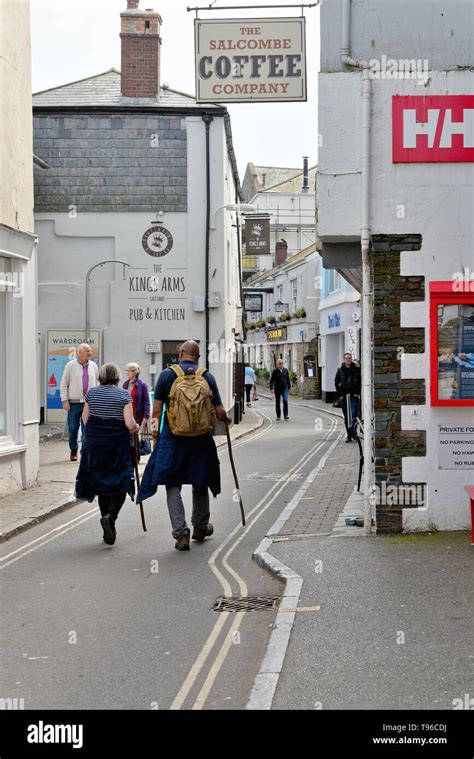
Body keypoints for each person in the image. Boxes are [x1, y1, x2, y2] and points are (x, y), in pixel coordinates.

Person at [137, 340, 231, 552]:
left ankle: (181, 534)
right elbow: (219, 411)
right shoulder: (207, 376)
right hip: (200, 440)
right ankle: (200, 527)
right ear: (197, 357)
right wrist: (226, 420)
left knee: (173, 484)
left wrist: (154, 434)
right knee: (200, 480)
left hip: (174, 439)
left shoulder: (167, 375)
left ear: (181, 354)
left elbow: (156, 411)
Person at [75, 363, 139, 545]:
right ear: (117, 377)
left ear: (101, 376)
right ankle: (110, 518)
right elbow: (129, 423)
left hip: (94, 447)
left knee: (101, 483)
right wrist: (135, 427)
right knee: (121, 482)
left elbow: (85, 419)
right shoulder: (123, 395)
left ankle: (106, 523)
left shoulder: (91, 393)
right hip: (116, 447)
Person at [60, 343, 99, 461]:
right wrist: (64, 400)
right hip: (74, 403)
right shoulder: (70, 365)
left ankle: (85, 451)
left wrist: (96, 399)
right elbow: (64, 383)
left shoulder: (94, 365)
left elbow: (97, 383)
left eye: (90, 350)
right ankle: (73, 450)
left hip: (88, 403)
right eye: (87, 351)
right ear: (80, 352)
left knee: (87, 428)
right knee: (73, 428)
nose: (90, 353)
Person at [335, 352, 361, 442]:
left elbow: (360, 382)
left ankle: (354, 434)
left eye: (349, 358)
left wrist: (358, 393)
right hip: (344, 396)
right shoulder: (340, 370)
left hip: (354, 395)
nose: (348, 359)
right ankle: (349, 435)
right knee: (347, 416)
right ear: (344, 360)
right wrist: (340, 395)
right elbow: (336, 382)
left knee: (353, 414)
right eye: (346, 358)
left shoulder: (357, 369)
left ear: (351, 359)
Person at [123, 362, 150, 430]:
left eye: (129, 371)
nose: (127, 373)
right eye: (127, 371)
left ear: (134, 372)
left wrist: (145, 418)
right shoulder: (125, 384)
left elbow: (147, 403)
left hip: (138, 417)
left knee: (137, 438)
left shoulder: (142, 385)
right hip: (127, 416)